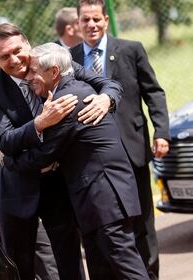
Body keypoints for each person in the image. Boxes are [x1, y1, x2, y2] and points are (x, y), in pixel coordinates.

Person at [0, 22, 122, 280]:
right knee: (21, 264)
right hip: (17, 187)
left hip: (59, 182)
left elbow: (107, 83)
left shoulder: (52, 62)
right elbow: (5, 141)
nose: (13, 60)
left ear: (28, 45)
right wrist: (40, 123)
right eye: (4, 57)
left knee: (69, 258)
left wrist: (106, 99)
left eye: (17, 50)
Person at [3, 42, 149, 280]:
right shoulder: (69, 90)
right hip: (96, 202)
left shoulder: (67, 100)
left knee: (127, 270)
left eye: (34, 71)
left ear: (53, 72)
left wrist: (8, 161)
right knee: (103, 272)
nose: (29, 77)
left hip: (105, 200)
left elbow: (45, 154)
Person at [70, 1, 170, 278]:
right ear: (77, 23)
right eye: (85, 20)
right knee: (107, 224)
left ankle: (149, 274)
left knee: (142, 222)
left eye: (96, 19)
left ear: (105, 20)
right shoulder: (70, 58)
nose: (91, 25)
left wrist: (161, 131)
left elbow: (154, 92)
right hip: (92, 159)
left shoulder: (130, 49)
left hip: (132, 149)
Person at [0, 44, 59, 280]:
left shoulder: (18, 90)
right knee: (44, 261)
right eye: (2, 64)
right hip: (16, 199)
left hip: (30, 192)